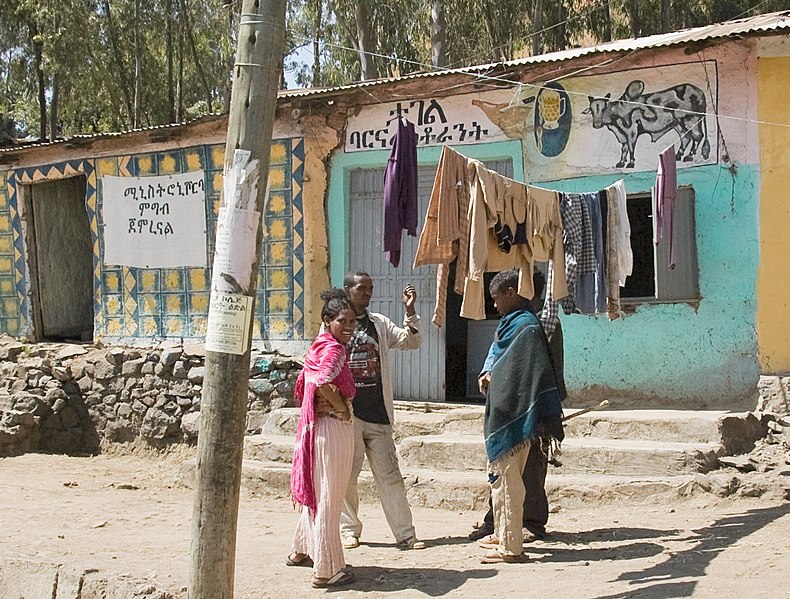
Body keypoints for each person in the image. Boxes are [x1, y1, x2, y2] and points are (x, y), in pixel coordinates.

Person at [469, 269, 566, 545]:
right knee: (503, 471)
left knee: (530, 469)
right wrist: (487, 374)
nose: (494, 305)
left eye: (497, 299)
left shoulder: (539, 324)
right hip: (508, 406)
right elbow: (499, 354)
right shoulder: (510, 323)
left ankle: (530, 524)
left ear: (515, 293)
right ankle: (499, 524)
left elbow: (543, 367)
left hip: (531, 407)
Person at [339, 271, 426, 550]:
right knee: (346, 478)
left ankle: (405, 535)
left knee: (390, 477)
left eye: (370, 288)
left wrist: (410, 312)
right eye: (361, 288)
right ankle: (348, 530)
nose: (367, 293)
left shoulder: (379, 324)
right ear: (347, 290)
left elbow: (411, 341)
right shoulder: (336, 325)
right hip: (347, 415)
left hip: (378, 415)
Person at [287, 289, 357, 589]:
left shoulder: (319, 345)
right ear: (328, 321)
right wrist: (342, 407)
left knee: (316, 494)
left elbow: (310, 381)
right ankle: (326, 569)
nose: (349, 327)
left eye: (353, 322)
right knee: (329, 498)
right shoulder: (335, 350)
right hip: (332, 429)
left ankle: (302, 548)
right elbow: (322, 380)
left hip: (314, 429)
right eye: (343, 321)